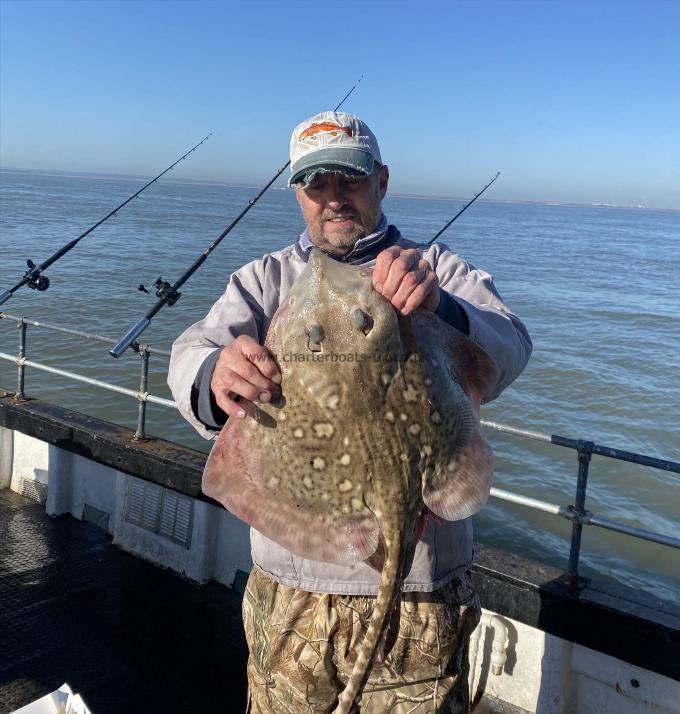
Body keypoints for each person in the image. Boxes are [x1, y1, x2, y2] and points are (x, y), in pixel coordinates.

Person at [168, 110, 532, 713]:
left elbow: (511, 345)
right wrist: (215, 373)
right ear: (298, 193)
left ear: (381, 181)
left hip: (420, 588)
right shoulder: (265, 279)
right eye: (317, 184)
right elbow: (191, 354)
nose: (334, 199)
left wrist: (445, 309)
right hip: (292, 583)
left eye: (351, 179)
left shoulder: (436, 270)